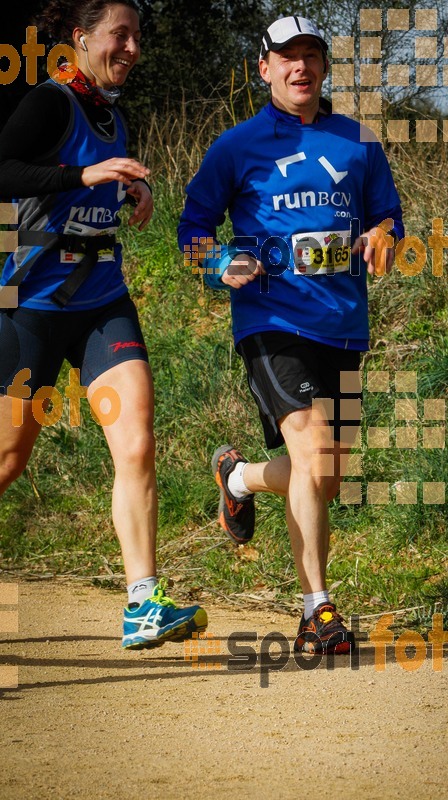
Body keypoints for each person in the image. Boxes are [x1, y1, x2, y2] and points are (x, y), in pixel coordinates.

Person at [178, 15, 404, 655]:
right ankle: (317, 609)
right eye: (287, 57)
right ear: (264, 68)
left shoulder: (357, 141)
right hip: (271, 321)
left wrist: (385, 235)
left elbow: (391, 216)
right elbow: (191, 231)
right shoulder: (237, 146)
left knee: (326, 471)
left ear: (325, 67)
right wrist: (219, 262)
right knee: (314, 448)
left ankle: (240, 478)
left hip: (344, 326)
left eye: (311, 56)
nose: (300, 67)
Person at [0, 0, 207, 649]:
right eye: (121, 35)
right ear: (82, 39)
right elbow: (4, 170)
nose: (132, 48)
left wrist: (127, 193)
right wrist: (81, 174)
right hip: (30, 303)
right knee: (8, 456)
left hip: (101, 298)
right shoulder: (49, 103)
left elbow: (92, 189)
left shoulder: (112, 117)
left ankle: (142, 602)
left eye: (138, 38)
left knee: (137, 440)